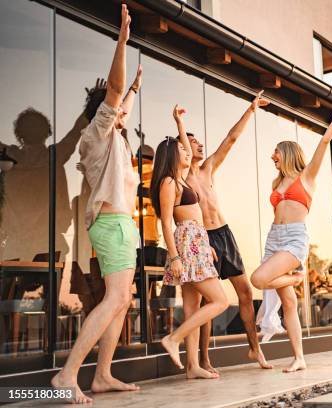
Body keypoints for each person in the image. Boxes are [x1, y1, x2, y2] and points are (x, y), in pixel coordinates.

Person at [51, 4, 142, 403]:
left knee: (122, 299)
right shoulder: (97, 134)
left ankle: (102, 374)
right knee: (117, 297)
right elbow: (116, 93)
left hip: (123, 227)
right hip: (111, 225)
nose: (122, 111)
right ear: (103, 112)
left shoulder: (117, 137)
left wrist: (135, 88)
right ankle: (66, 375)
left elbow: (125, 99)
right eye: (117, 108)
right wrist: (121, 42)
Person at [250, 94, 332, 372]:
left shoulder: (306, 176)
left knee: (259, 279)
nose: (272, 156)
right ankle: (299, 358)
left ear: (286, 152)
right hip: (274, 238)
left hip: (294, 239)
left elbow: (323, 142)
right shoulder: (278, 181)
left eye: (276, 151)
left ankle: (297, 276)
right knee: (288, 302)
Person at [185, 91, 272, 371]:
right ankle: (205, 359)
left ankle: (254, 350)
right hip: (202, 239)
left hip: (224, 234)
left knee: (245, 292)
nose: (200, 145)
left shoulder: (208, 168)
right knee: (209, 302)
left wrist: (251, 109)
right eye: (193, 141)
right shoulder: (181, 180)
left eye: (199, 141)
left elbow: (230, 140)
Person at [150, 105, 228, 378]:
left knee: (193, 308)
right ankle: (173, 339)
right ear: (173, 156)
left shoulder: (181, 180)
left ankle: (193, 367)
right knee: (220, 301)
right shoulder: (169, 183)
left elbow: (183, 144)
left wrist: (180, 122)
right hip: (186, 246)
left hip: (197, 243)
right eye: (183, 151)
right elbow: (165, 222)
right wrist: (175, 258)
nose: (188, 152)